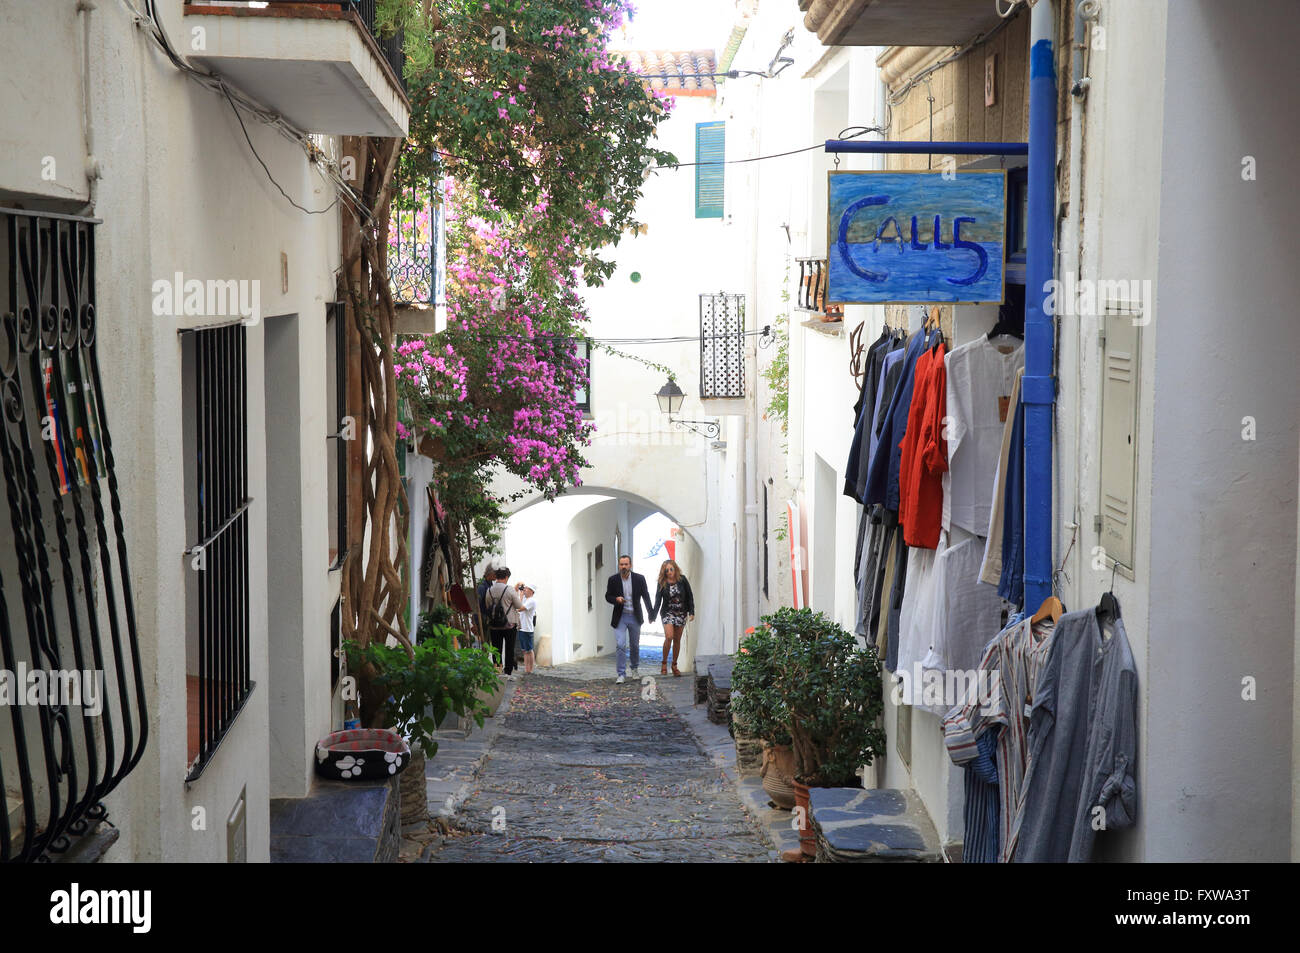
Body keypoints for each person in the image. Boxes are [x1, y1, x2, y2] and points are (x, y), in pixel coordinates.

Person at [604, 555, 653, 684]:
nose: (623, 567)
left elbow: (646, 596)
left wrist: (651, 613)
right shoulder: (613, 579)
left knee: (634, 645)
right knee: (620, 645)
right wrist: (616, 599)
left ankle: (635, 668)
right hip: (620, 617)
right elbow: (608, 596)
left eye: (626, 564)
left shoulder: (639, 579)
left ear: (630, 565)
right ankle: (621, 674)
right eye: (621, 564)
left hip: (635, 616)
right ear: (619, 566)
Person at [651, 559, 695, 677]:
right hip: (668, 612)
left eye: (671, 569)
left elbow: (690, 596)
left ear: (675, 568)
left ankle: (674, 665)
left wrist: (691, 612)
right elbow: (658, 600)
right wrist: (653, 615)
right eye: (667, 570)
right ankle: (664, 663)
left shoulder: (682, 579)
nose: (669, 572)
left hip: (681, 613)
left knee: (677, 639)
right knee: (669, 636)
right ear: (664, 572)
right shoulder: (662, 582)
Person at [485, 567, 525, 681]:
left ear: (496, 576)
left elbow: (488, 606)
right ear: (506, 577)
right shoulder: (509, 589)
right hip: (509, 624)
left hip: (494, 624)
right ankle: (507, 673)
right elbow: (519, 606)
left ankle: (497, 670)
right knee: (509, 648)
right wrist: (520, 596)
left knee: (496, 648)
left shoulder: (489, 590)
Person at [516, 582, 538, 674]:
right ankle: (526, 669)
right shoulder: (525, 598)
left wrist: (520, 597)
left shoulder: (531, 601)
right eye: (524, 588)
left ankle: (531, 669)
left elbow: (520, 608)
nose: (524, 590)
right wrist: (520, 592)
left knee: (529, 650)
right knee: (524, 651)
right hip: (521, 628)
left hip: (528, 629)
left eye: (526, 588)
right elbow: (519, 604)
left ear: (532, 591)